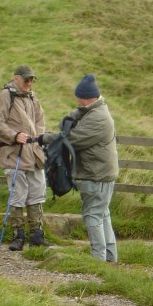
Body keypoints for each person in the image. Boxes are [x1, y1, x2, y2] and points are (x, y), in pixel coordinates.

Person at [40, 74, 119, 262]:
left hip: (96, 175)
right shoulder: (94, 111)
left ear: (86, 98)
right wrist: (69, 119)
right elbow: (68, 121)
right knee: (102, 214)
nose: (76, 101)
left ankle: (98, 258)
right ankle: (109, 257)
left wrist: (43, 138)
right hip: (102, 173)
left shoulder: (97, 118)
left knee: (92, 216)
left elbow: (70, 139)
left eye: (78, 97)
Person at [0, 65, 51, 251]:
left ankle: (37, 236)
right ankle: (18, 236)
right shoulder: (5, 96)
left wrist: (36, 138)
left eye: (32, 79)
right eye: (26, 79)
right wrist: (14, 135)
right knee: (17, 196)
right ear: (16, 78)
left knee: (37, 194)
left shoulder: (33, 97)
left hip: (34, 155)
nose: (29, 82)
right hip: (14, 155)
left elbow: (40, 121)